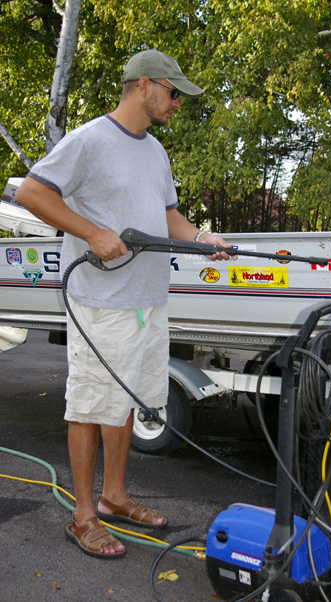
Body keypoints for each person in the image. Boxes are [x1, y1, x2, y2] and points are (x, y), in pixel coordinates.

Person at [16, 49, 235, 559]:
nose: (177, 102)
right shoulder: (90, 140)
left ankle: (114, 497)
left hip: (147, 303)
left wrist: (204, 238)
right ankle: (83, 516)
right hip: (102, 304)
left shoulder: (154, 151)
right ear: (143, 86)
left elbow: (168, 218)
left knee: (126, 403)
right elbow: (31, 192)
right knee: (90, 405)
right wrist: (92, 233)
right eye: (173, 92)